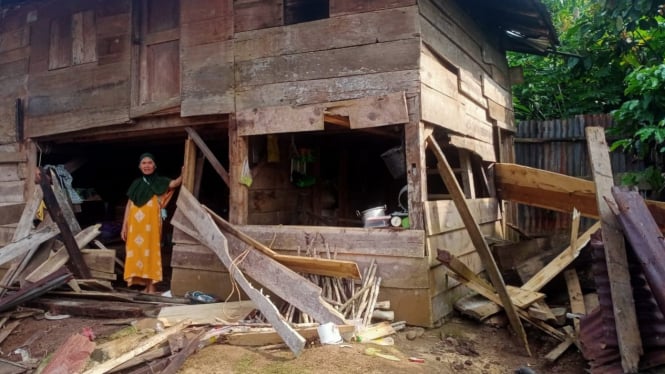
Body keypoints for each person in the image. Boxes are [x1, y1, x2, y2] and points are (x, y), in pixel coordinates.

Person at [121, 153, 183, 293]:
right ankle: (145, 285)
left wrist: (183, 173)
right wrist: (124, 225)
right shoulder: (136, 183)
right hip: (134, 226)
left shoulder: (160, 181)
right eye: (144, 163)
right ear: (139, 166)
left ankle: (152, 286)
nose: (147, 165)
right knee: (137, 253)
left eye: (149, 163)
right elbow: (129, 205)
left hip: (151, 225)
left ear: (154, 166)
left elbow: (175, 183)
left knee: (151, 252)